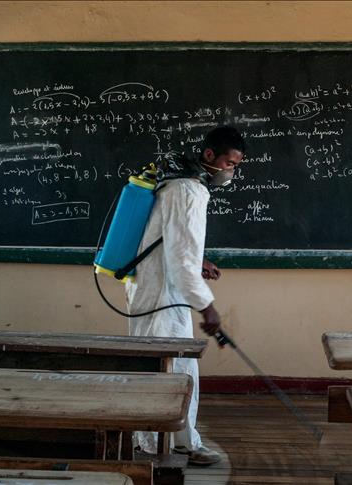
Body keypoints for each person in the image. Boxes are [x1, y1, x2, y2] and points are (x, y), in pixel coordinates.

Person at [125, 125, 245, 466]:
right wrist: (208, 308)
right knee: (164, 371)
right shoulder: (189, 190)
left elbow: (170, 239)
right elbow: (179, 263)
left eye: (236, 165)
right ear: (209, 156)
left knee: (179, 369)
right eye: (229, 163)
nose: (231, 171)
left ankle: (181, 442)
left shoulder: (178, 183)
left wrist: (199, 260)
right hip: (159, 293)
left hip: (160, 290)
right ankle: (151, 448)